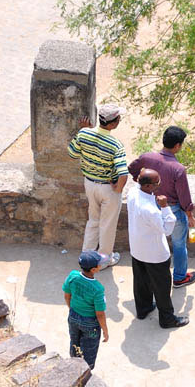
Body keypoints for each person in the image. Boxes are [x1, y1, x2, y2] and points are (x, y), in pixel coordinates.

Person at [128, 126, 195, 288]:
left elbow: (132, 169)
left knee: (151, 240)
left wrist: (142, 182)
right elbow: (184, 196)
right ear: (177, 146)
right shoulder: (178, 169)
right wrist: (190, 215)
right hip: (171, 209)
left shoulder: (147, 157)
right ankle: (179, 277)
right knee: (179, 244)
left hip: (150, 203)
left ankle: (149, 274)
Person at [67, 104, 129, 268]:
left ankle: (86, 257)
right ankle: (103, 261)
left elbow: (72, 153)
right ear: (113, 123)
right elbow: (123, 173)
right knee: (107, 225)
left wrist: (84, 130)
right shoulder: (116, 144)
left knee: (93, 220)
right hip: (108, 188)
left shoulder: (84, 133)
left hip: (90, 184)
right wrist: (119, 188)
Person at [127, 168, 189, 328]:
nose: (160, 184)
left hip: (137, 248)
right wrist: (165, 206)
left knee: (141, 282)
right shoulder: (150, 209)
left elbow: (138, 180)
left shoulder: (133, 193)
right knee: (162, 287)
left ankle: (143, 309)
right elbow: (167, 229)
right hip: (155, 253)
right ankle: (167, 318)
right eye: (157, 182)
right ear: (148, 186)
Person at [63, 251, 109, 369]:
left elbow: (67, 295)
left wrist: (72, 310)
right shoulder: (98, 289)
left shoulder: (72, 276)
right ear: (94, 269)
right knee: (89, 351)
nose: (100, 265)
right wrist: (105, 330)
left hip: (73, 316)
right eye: (99, 264)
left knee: (74, 343)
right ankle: (85, 373)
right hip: (90, 324)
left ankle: (73, 366)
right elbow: (100, 314)